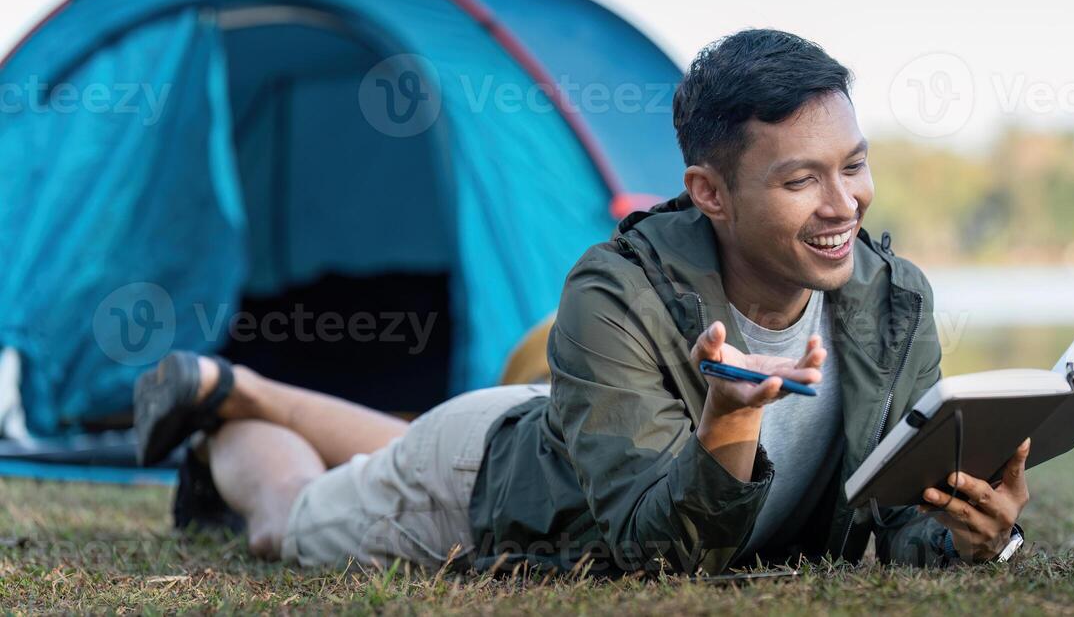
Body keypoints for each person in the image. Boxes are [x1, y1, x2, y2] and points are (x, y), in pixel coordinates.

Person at [134, 29, 1029, 574]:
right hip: (486, 489)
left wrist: (968, 536)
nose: (845, 205)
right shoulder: (615, 291)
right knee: (284, 524)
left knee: (420, 439)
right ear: (710, 194)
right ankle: (228, 417)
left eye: (854, 165)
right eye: (802, 180)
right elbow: (653, 555)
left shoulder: (892, 299)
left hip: (573, 426)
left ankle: (239, 384)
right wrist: (725, 430)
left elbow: (900, 514)